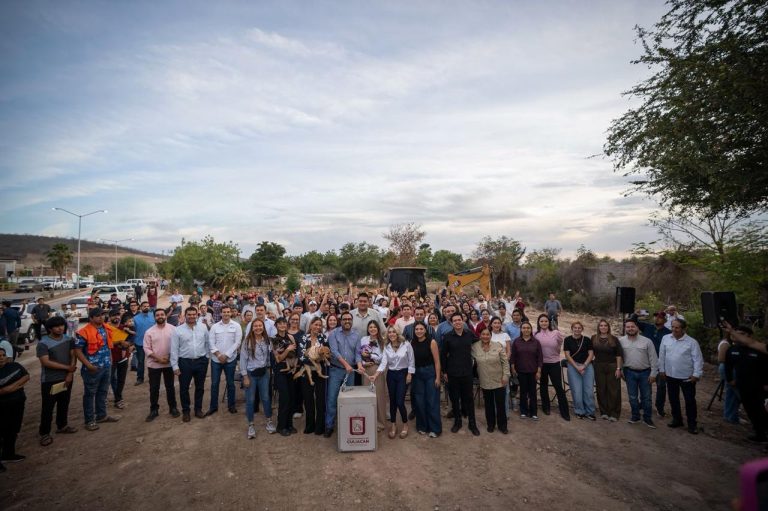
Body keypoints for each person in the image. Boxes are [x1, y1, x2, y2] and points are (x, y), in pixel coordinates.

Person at [74, 308, 120, 431]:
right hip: (92, 368)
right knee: (90, 394)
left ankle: (102, 415)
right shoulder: (83, 332)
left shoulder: (105, 328)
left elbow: (108, 345)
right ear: (91, 318)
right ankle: (89, 420)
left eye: (102, 315)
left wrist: (110, 360)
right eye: (98, 316)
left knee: (103, 392)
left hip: (106, 366)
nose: (101, 317)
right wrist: (88, 365)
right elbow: (77, 351)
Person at [36, 316, 77, 447]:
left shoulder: (69, 339)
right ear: (49, 329)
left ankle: (62, 425)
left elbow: (73, 356)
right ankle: (44, 433)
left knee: (64, 402)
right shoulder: (43, 343)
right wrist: (67, 368)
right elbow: (45, 362)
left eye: (62, 325)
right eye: (57, 326)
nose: (60, 328)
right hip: (50, 380)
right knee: (48, 407)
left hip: (67, 377)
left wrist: (70, 373)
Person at [658, 319, 703, 434]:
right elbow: (662, 355)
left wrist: (696, 374)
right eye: (673, 327)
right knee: (673, 399)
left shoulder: (692, 342)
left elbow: (698, 359)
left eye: (677, 327)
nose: (674, 329)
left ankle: (692, 424)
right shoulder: (666, 338)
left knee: (689, 401)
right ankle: (677, 419)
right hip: (670, 375)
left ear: (684, 329)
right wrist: (662, 370)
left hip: (687, 377)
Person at [724, 324, 768, 442]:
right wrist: (732, 330)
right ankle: (760, 434)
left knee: (761, 410)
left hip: (758, 386)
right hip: (743, 385)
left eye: (742, 334)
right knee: (751, 410)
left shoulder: (758, 352)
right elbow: (727, 366)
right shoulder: (734, 349)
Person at [370, 327, 415, 439]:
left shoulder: (406, 344)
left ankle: (405, 425)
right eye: (389, 332)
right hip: (391, 375)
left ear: (397, 333)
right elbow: (383, 363)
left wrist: (410, 374)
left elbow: (411, 360)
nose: (391, 334)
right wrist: (375, 375)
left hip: (403, 374)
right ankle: (393, 425)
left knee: (400, 401)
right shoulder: (387, 346)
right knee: (393, 401)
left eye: (393, 332)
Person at [441, 313, 480, 436]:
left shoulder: (469, 334)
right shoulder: (447, 337)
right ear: (451, 323)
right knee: (455, 398)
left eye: (459, 320)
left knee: (469, 399)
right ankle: (457, 422)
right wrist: (445, 371)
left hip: (467, 372)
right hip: (453, 372)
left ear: (463, 320)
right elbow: (443, 356)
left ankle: (472, 423)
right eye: (454, 321)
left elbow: (479, 344)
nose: (457, 322)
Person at [325, 311, 361, 438]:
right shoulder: (333, 334)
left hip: (350, 372)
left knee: (348, 399)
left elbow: (358, 353)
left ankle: (347, 423)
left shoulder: (357, 335)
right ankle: (329, 425)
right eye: (344, 319)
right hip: (336, 370)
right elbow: (334, 351)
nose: (347, 321)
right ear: (341, 321)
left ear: (352, 321)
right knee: (332, 398)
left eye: (349, 319)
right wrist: (346, 364)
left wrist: (360, 365)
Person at [171, 307, 210, 422]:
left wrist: (206, 357)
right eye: (189, 314)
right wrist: (175, 366)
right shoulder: (178, 330)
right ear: (185, 315)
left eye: (194, 314)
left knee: (200, 387)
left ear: (197, 315)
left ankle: (198, 409)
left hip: (201, 362)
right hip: (185, 362)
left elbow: (207, 343)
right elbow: (174, 349)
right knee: (183, 388)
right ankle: (186, 411)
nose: (192, 316)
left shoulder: (203, 328)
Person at [619, 318, 659, 429]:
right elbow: (620, 358)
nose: (630, 329)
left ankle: (647, 418)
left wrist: (653, 374)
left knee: (646, 397)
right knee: (632, 397)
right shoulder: (621, 341)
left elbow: (654, 359)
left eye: (632, 326)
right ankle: (635, 416)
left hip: (645, 373)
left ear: (637, 328)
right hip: (629, 372)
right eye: (628, 327)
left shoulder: (647, 341)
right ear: (625, 328)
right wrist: (621, 370)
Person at [241, 318, 276, 438]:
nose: (258, 328)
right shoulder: (247, 341)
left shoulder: (267, 340)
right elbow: (243, 360)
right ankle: (251, 425)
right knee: (250, 400)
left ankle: (269, 421)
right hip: (251, 374)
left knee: (266, 398)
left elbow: (271, 356)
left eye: (260, 326)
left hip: (264, 373)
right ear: (252, 328)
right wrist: (245, 376)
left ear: (263, 327)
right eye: (255, 326)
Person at [143, 308, 179, 422]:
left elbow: (177, 345)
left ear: (166, 315)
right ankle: (154, 410)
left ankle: (173, 408)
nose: (160, 316)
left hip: (169, 363)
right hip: (154, 365)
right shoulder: (149, 332)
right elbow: (146, 348)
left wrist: (169, 357)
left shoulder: (173, 329)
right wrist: (158, 359)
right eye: (157, 315)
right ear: (154, 317)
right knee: (154, 388)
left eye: (162, 314)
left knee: (170, 387)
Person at [473, 326, 510, 434]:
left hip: (499, 380)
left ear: (490, 335)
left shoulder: (498, 346)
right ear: (480, 335)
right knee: (488, 405)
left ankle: (503, 426)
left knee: (500, 404)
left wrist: (506, 376)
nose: (485, 336)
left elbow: (505, 362)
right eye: (483, 334)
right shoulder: (474, 347)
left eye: (487, 334)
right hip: (485, 381)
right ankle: (491, 425)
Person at [207, 305, 243, 416]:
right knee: (214, 384)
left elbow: (237, 342)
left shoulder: (236, 326)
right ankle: (213, 407)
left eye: (228, 311)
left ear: (231, 313)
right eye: (224, 312)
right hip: (216, 360)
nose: (226, 313)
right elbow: (211, 342)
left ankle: (231, 406)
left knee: (231, 383)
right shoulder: (215, 327)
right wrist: (218, 355)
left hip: (230, 360)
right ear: (221, 313)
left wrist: (226, 355)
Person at [409, 321, 442, 437]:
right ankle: (422, 426)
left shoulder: (431, 342)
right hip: (417, 374)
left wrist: (438, 377)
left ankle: (435, 428)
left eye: (421, 329)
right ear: (414, 331)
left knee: (432, 401)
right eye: (416, 329)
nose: (419, 331)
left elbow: (437, 362)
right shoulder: (412, 342)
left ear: (425, 330)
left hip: (430, 373)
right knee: (419, 401)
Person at [297, 317, 329, 435]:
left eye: (320, 325)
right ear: (310, 325)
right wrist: (315, 361)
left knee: (320, 399)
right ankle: (310, 425)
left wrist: (317, 359)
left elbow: (326, 353)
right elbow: (301, 356)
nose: (318, 327)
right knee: (308, 398)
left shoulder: (323, 338)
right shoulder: (303, 338)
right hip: (306, 372)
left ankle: (320, 426)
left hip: (320, 372)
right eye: (315, 325)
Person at [638, 310, 672, 417]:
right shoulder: (647, 327)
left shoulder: (668, 333)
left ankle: (659, 407)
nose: (657, 318)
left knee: (661, 387)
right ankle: (644, 404)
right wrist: (636, 313)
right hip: (646, 361)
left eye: (660, 317)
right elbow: (632, 321)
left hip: (660, 363)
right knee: (645, 385)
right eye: (656, 316)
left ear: (665, 320)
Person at [0, 345, 29, 468]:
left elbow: (26, 376)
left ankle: (8, 454)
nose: (1, 358)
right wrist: (17, 386)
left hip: (18, 404)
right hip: (2, 407)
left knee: (13, 429)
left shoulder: (15, 366)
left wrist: (11, 387)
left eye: (3, 355)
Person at [535, 314, 569, 421]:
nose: (544, 323)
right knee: (543, 386)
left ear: (549, 322)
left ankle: (564, 411)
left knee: (558, 387)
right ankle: (546, 407)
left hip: (554, 363)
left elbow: (559, 345)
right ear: (538, 323)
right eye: (542, 321)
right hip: (541, 364)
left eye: (546, 321)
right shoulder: (535, 334)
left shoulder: (556, 333)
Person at [358, 320, 388, 432]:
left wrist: (371, 355)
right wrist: (363, 362)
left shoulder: (383, 341)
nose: (372, 329)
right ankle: (369, 421)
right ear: (368, 329)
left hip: (377, 369)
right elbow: (358, 353)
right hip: (365, 369)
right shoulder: (363, 339)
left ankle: (380, 423)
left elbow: (383, 358)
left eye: (374, 327)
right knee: (367, 395)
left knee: (379, 395)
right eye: (370, 327)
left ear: (378, 329)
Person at [563, 321, 596, 420]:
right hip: (573, 366)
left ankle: (590, 411)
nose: (577, 329)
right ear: (572, 329)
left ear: (582, 329)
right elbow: (567, 355)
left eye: (579, 328)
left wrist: (584, 365)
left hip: (587, 365)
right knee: (577, 390)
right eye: (575, 328)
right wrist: (577, 367)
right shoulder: (567, 340)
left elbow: (591, 354)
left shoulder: (587, 340)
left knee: (588, 390)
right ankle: (579, 410)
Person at [592, 319, 623, 422]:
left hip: (612, 366)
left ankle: (614, 413)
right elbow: (590, 353)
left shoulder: (614, 339)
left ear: (608, 327)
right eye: (601, 325)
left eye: (605, 325)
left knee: (613, 390)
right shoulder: (594, 338)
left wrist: (618, 368)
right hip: (598, 366)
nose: (603, 327)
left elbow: (619, 355)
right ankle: (604, 412)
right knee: (601, 389)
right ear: (598, 327)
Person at [510, 321, 542, 419]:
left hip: (533, 371)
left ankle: (533, 412)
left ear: (531, 329)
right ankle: (523, 411)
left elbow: (540, 358)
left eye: (528, 328)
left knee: (532, 392)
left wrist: (539, 371)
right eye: (524, 328)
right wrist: (513, 368)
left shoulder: (536, 342)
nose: (526, 330)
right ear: (521, 329)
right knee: (523, 392)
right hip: (521, 371)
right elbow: (513, 357)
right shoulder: (516, 341)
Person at [272, 317, 297, 436]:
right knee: (284, 399)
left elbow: (295, 353)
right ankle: (281, 426)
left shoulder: (291, 337)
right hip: (280, 371)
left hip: (291, 370)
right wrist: (287, 350)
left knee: (292, 398)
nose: (282, 325)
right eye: (279, 323)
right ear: (276, 325)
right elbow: (278, 359)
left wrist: (294, 367)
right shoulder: (275, 340)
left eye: (284, 323)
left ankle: (289, 424)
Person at [107, 310, 130, 410]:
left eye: (117, 315)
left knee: (121, 380)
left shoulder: (125, 328)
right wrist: (119, 342)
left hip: (123, 357)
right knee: (108, 379)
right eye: (113, 316)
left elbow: (131, 339)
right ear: (109, 317)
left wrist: (129, 345)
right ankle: (103, 400)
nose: (116, 317)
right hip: (110, 358)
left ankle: (118, 399)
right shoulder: (106, 329)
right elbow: (106, 343)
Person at [717, 331, 740, 424]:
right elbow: (721, 359)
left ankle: (730, 416)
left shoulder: (733, 344)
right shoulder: (725, 344)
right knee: (737, 392)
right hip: (728, 369)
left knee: (731, 393)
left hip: (730, 369)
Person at [132, 302, 155, 386]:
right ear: (140, 307)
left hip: (152, 343)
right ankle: (140, 378)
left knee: (152, 360)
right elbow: (133, 331)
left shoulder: (153, 316)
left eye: (148, 306)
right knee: (140, 361)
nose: (146, 307)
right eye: (144, 306)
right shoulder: (135, 318)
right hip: (139, 343)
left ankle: (152, 377)